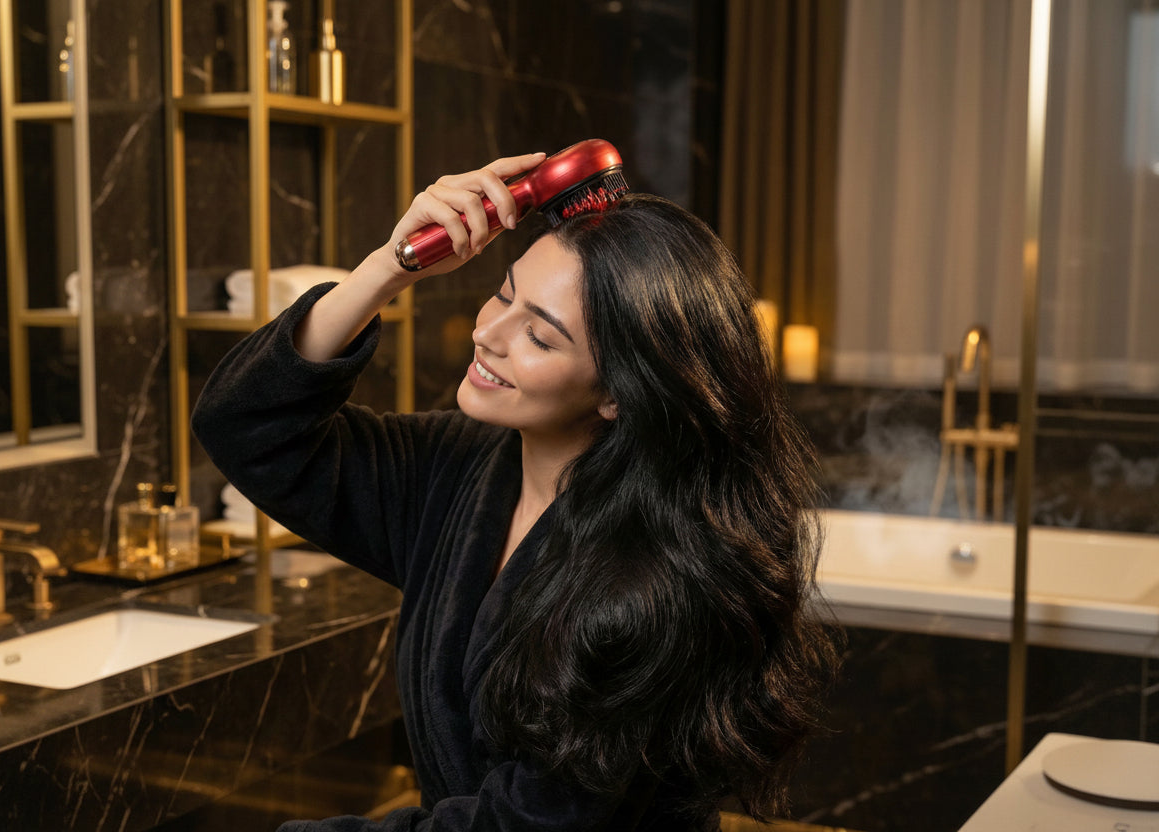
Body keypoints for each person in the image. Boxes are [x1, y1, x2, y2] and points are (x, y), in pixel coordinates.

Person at [192, 150, 839, 831]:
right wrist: (391, 264)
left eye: (538, 334)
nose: (487, 335)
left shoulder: (658, 579)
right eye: (502, 294)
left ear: (619, 392)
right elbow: (243, 425)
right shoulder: (458, 468)